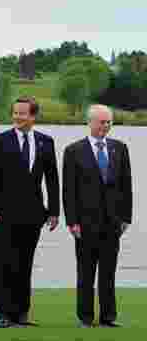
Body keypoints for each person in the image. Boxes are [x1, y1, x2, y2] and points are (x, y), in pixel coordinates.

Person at [0, 96, 60, 328]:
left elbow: (52, 179)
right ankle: (3, 313)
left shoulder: (46, 142)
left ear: (33, 116)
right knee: (3, 263)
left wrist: (54, 211)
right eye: (15, 113)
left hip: (33, 215)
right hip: (2, 214)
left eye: (22, 113)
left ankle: (21, 313)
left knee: (25, 264)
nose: (17, 117)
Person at [62, 105, 133, 328]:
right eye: (101, 122)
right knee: (85, 272)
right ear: (90, 123)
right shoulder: (73, 151)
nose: (105, 126)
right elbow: (68, 190)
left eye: (108, 122)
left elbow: (126, 185)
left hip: (112, 222)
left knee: (108, 273)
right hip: (84, 223)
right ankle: (85, 317)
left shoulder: (119, 149)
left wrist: (126, 218)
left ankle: (108, 317)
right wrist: (72, 221)